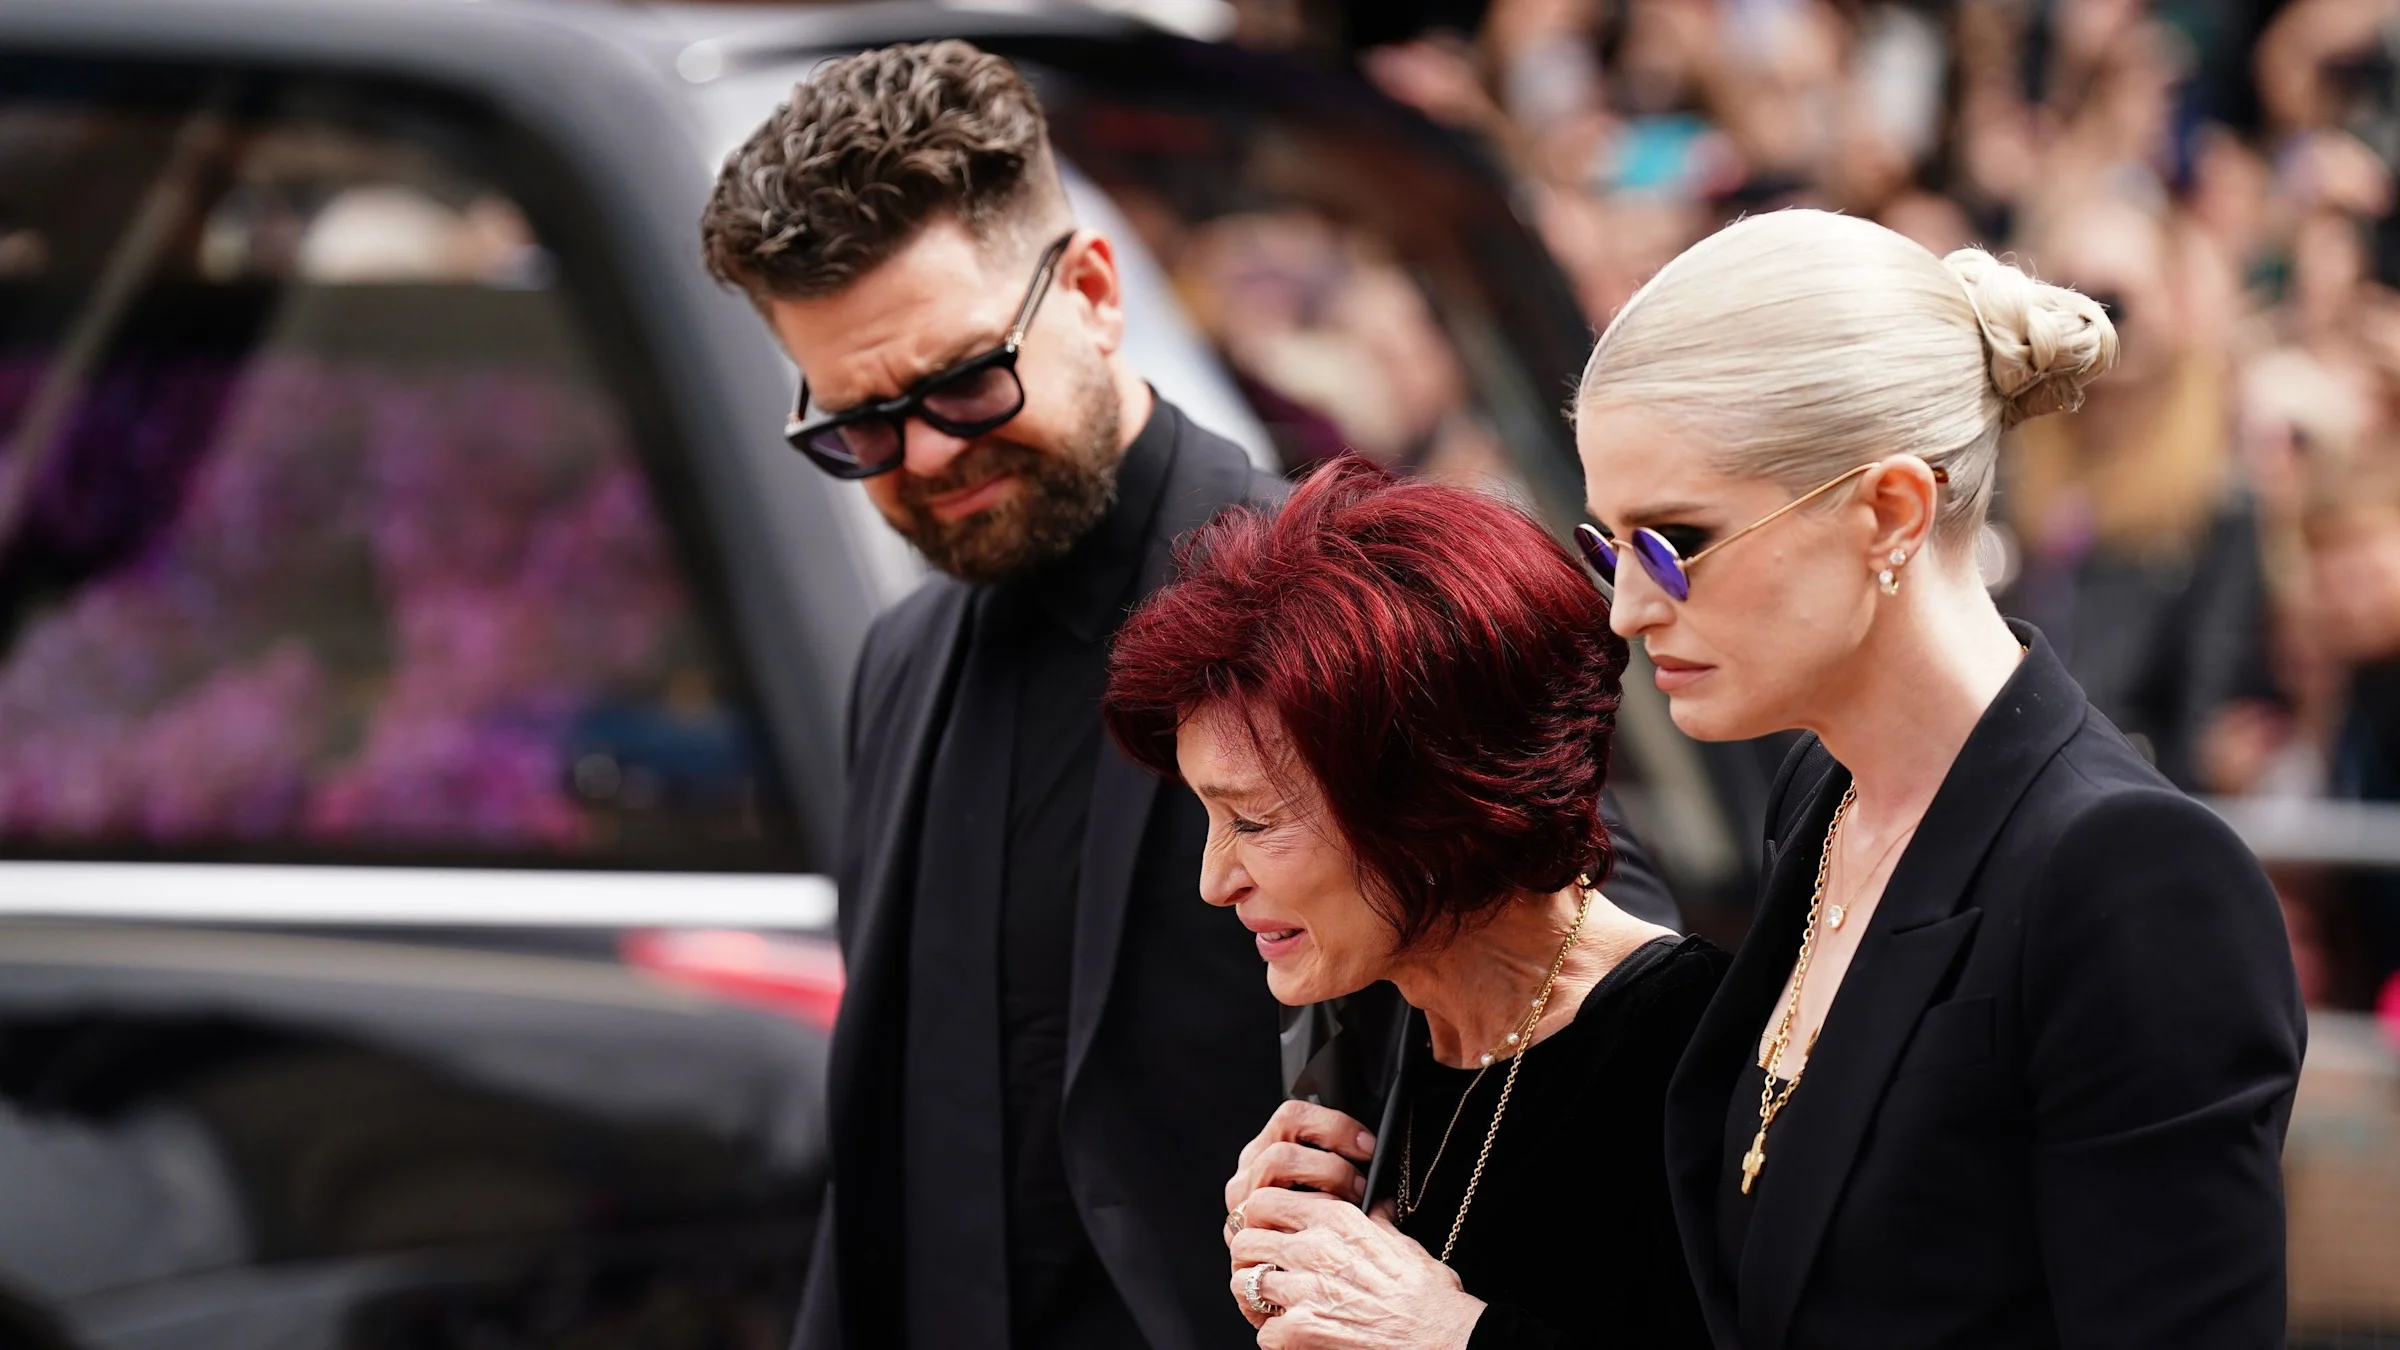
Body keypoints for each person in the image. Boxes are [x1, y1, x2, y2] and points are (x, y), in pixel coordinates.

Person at [696, 41, 1678, 1350]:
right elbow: (889, 1153)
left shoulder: (1338, 600)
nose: (924, 452)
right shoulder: (902, 661)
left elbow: (1586, 955)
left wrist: (1413, 1237)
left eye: (966, 382)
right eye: (859, 426)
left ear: (1094, 291)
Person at [1573, 209, 2306, 1349]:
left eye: (1673, 542)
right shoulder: (1822, 795)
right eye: (1607, 545)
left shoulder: (2130, 877)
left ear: (1891, 513)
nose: (1628, 607)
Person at [1103, 456, 1723, 1350]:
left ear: (1433, 801)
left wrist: (1452, 1335)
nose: (1215, 880)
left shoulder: (1704, 1051)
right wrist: (1299, 1270)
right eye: (1210, 817)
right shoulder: (1365, 1036)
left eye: (1255, 821)